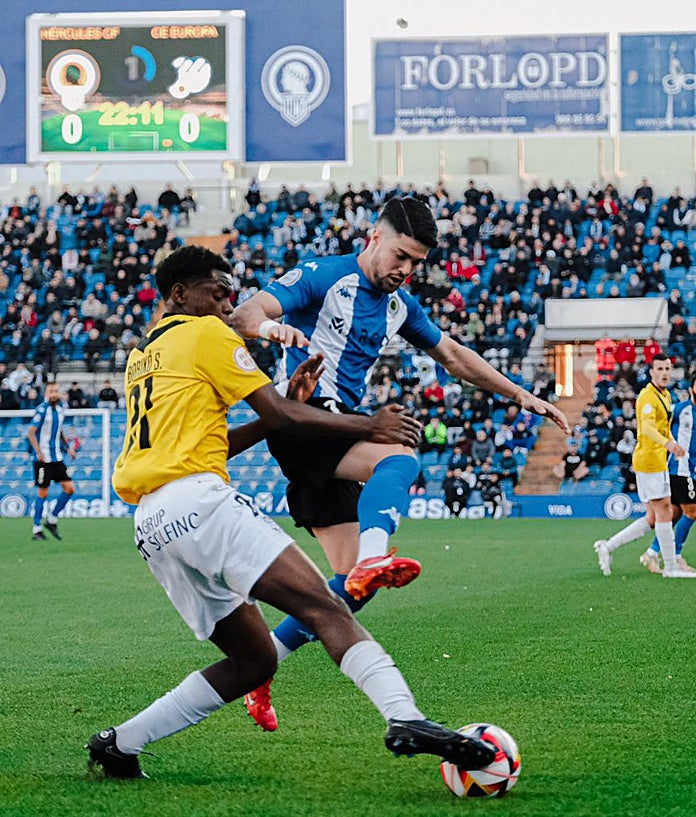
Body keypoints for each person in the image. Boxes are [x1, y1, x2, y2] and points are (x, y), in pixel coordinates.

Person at [84, 245, 496, 779]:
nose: (228, 301)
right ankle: (405, 717)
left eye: (231, 292)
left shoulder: (143, 357)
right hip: (201, 505)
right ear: (179, 295)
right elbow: (280, 412)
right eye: (217, 291)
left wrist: (281, 407)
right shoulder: (207, 333)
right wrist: (367, 426)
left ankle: (120, 743)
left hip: (152, 524)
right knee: (327, 607)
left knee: (253, 661)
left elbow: (226, 438)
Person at [231, 196, 569, 729]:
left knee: (343, 594)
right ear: (374, 237)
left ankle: (262, 666)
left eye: (416, 263)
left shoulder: (398, 307)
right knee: (401, 456)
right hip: (305, 416)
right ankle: (374, 555)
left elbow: (455, 357)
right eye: (401, 256)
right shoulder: (325, 276)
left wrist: (521, 395)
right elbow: (244, 314)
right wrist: (277, 331)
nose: (406, 271)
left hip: (334, 431)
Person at [594, 355, 696, 579]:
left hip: (657, 460)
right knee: (665, 511)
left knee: (653, 517)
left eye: (667, 368)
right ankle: (670, 567)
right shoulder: (647, 396)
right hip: (649, 460)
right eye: (659, 368)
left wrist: (673, 442)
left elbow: (662, 427)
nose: (664, 372)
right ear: (651, 372)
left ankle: (608, 547)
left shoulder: (665, 394)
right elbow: (649, 429)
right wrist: (669, 444)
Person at [639, 371, 696, 575]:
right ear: (691, 390)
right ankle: (677, 557)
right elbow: (660, 426)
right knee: (692, 512)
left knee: (674, 513)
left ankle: (652, 552)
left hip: (690, 469)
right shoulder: (680, 410)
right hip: (677, 468)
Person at [27, 382, 76, 540]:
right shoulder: (42, 410)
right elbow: (31, 433)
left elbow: (60, 429)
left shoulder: (60, 410)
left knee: (69, 488)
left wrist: (68, 447)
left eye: (56, 391)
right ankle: (36, 529)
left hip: (57, 457)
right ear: (46, 394)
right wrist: (39, 452)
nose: (54, 394)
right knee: (43, 492)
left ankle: (52, 519)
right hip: (43, 459)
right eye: (51, 391)